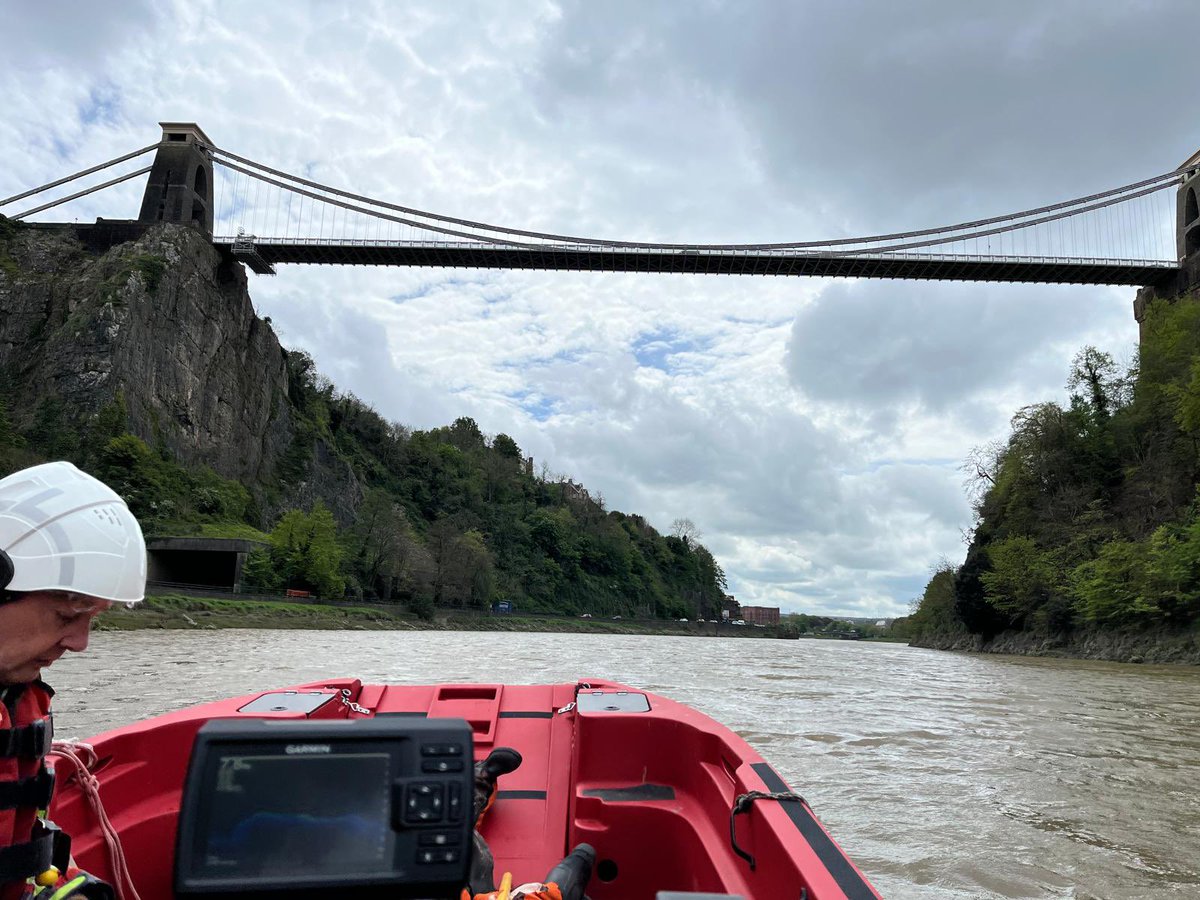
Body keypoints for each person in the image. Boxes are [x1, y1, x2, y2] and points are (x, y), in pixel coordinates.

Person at [0, 461, 146, 900]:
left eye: (92, 619)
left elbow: (22, 850)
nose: (80, 643)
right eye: (67, 616)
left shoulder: (15, 696)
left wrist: (67, 889)